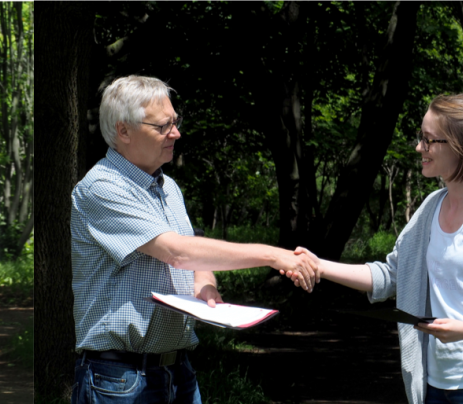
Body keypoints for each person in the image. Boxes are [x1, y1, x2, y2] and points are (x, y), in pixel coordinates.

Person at [70, 75, 320, 404]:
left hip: (177, 373)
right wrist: (274, 256)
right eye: (163, 126)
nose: (176, 133)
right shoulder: (103, 187)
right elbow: (177, 252)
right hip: (120, 380)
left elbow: (192, 249)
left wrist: (204, 282)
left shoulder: (168, 188)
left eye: (176, 122)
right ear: (123, 130)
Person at [288, 94, 463, 404]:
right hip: (431, 386)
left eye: (429, 140)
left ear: (461, 146)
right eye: (421, 139)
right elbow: (391, 274)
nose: (419, 147)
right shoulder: (429, 209)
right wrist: (320, 266)